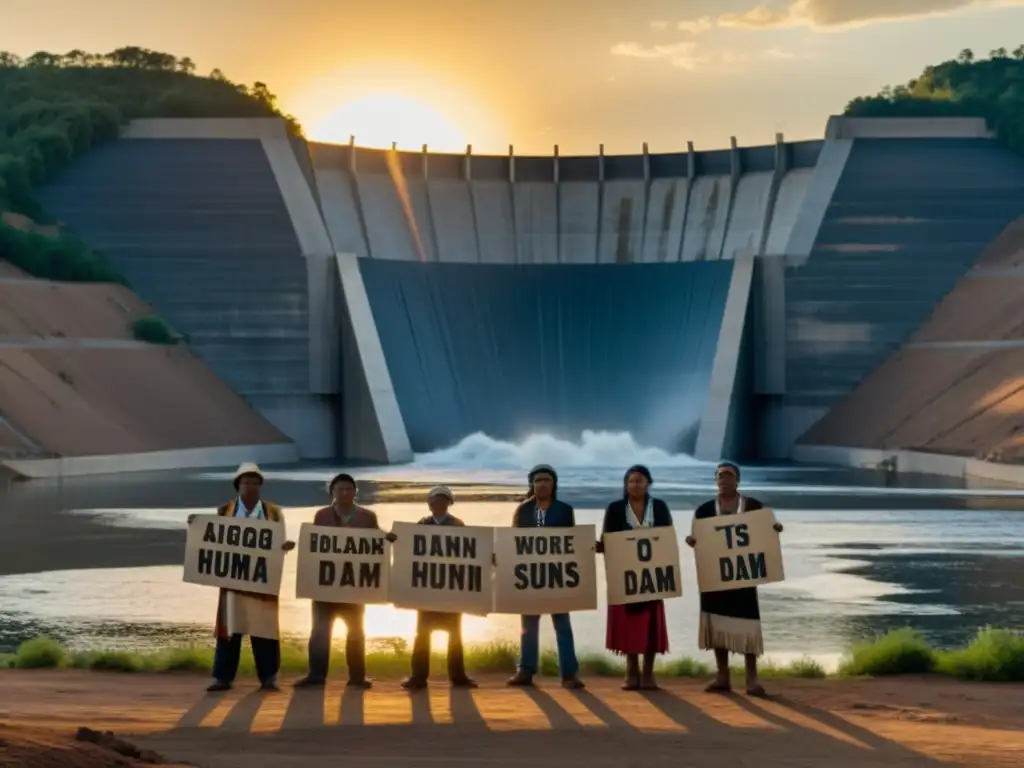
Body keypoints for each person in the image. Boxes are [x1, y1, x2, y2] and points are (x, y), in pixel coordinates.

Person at [190, 463, 295, 693]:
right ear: (238, 485)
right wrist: (196, 527)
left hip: (261, 579)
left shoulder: (273, 512)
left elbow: (278, 542)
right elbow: (211, 540)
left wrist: (285, 546)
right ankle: (222, 677)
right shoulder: (224, 510)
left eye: (255, 482)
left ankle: (268, 677)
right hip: (232, 579)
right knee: (229, 630)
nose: (250, 486)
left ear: (260, 486)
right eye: (246, 482)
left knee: (264, 629)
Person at [686, 461, 783, 697]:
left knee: (748, 625)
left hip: (742, 576)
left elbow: (765, 530)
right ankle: (722, 676)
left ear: (737, 480)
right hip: (715, 576)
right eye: (720, 476)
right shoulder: (704, 510)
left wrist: (775, 529)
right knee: (717, 623)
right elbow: (699, 538)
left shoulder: (751, 505)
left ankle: (751, 678)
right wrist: (692, 541)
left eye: (729, 476)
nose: (724, 480)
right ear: (715, 480)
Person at [294, 473, 382, 690]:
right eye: (340, 489)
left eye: (348, 489)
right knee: (319, 633)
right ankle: (316, 675)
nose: (344, 493)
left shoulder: (367, 517)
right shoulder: (321, 515)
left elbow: (376, 542)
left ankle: (357, 676)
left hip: (354, 586)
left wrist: (388, 538)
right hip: (325, 586)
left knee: (355, 632)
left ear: (355, 492)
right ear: (331, 492)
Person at [506, 464, 585, 690]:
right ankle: (526, 671)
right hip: (530, 576)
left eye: (547, 480)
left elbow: (572, 541)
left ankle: (569, 674)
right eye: (538, 480)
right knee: (528, 625)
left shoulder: (565, 509)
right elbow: (513, 542)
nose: (542, 484)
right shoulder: (522, 510)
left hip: (558, 576)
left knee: (563, 624)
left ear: (554, 484)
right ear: (531, 484)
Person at [598, 465, 672, 691]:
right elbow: (606, 540)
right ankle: (631, 672)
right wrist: (594, 546)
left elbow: (667, 538)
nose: (635, 485)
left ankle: (648, 674)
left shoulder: (659, 506)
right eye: (631, 481)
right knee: (629, 625)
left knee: (650, 625)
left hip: (652, 575)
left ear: (649, 483)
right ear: (625, 485)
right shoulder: (615, 508)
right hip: (625, 576)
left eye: (640, 481)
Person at [400, 486, 478, 690]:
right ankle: (418, 677)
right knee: (422, 634)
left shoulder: (458, 525)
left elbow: (471, 553)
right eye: (434, 500)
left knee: (455, 635)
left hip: (450, 590)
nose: (438, 504)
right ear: (428, 503)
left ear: (449, 503)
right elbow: (407, 550)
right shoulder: (421, 524)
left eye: (443, 500)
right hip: (427, 591)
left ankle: (458, 676)